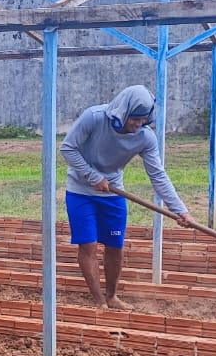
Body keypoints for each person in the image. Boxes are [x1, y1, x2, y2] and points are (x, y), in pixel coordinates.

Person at [59, 84, 192, 310]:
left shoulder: (145, 138)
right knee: (88, 245)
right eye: (134, 119)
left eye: (143, 120)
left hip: (112, 193)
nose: (137, 124)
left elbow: (157, 174)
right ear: (123, 112)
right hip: (81, 192)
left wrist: (179, 209)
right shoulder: (94, 117)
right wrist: (92, 176)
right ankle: (99, 300)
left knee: (114, 244)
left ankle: (112, 296)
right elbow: (67, 148)